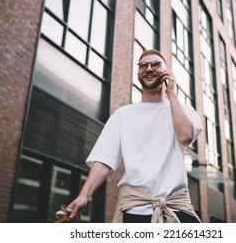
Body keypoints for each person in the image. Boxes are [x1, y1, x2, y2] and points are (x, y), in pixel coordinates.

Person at [67, 49, 203, 223]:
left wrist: (172, 94)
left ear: (166, 72)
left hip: (176, 210)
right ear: (138, 73)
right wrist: (84, 195)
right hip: (135, 211)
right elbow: (104, 159)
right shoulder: (123, 115)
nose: (149, 68)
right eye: (143, 65)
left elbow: (185, 137)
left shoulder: (184, 111)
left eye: (155, 64)